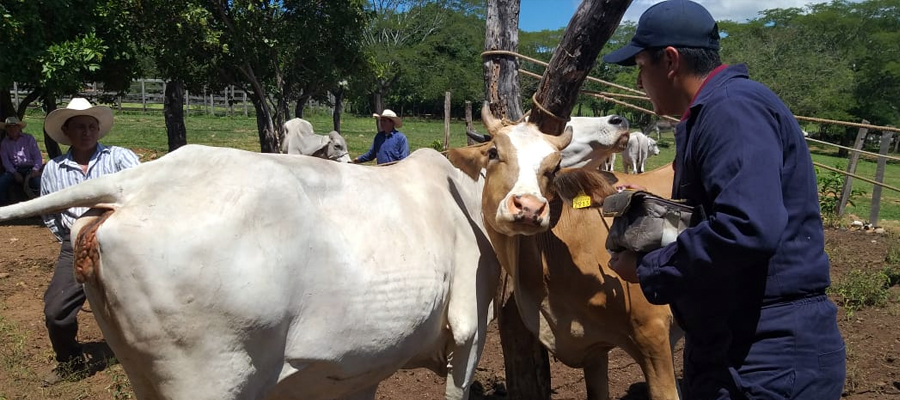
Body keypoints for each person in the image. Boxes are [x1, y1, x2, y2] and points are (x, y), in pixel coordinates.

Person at [602, 1, 845, 399]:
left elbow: (748, 226)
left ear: (670, 61)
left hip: (767, 350)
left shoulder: (731, 110)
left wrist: (649, 267)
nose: (638, 83)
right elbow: (724, 214)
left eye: (641, 67)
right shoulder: (714, 111)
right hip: (738, 343)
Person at [38, 98, 140, 386]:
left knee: (141, 300)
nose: (86, 132)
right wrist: (71, 239)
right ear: (67, 132)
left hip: (123, 242)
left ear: (98, 130)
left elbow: (140, 196)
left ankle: (145, 352)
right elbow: (49, 213)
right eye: (79, 127)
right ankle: (69, 360)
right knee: (56, 312)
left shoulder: (119, 158)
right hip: (77, 243)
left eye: (91, 127)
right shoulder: (54, 169)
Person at [0, 116, 42, 204]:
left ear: (19, 128)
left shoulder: (29, 138)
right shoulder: (4, 143)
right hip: (14, 169)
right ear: (6, 129)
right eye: (9, 127)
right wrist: (15, 173)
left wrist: (35, 169)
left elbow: (37, 156)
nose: (12, 129)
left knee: (38, 183)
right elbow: (5, 161)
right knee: (2, 183)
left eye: (14, 126)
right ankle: (4, 207)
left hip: (30, 168)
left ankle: (40, 206)